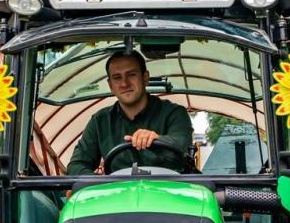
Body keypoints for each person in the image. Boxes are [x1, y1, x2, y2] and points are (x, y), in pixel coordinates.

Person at [66, 50, 194, 174]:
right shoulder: (100, 121)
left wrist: (157, 139)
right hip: (117, 193)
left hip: (168, 191)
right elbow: (76, 165)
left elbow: (182, 143)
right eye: (117, 78)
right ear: (111, 86)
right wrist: (98, 185)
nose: (124, 83)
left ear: (145, 77)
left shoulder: (175, 113)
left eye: (131, 74)